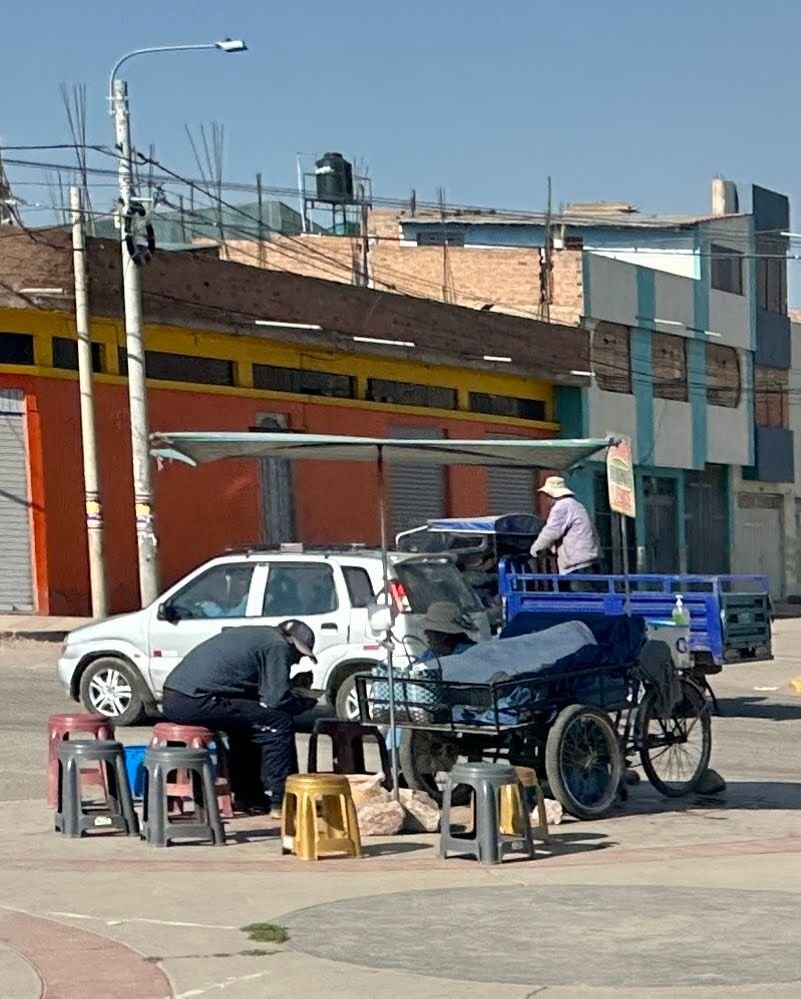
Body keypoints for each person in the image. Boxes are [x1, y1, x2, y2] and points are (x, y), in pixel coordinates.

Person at [160, 620, 318, 815]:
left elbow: (256, 692)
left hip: (176, 698)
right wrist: (302, 703)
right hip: (195, 701)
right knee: (278, 721)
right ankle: (282, 801)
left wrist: (290, 685)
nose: (296, 661)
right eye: (299, 655)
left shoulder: (260, 635)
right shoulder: (278, 646)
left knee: (247, 724)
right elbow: (276, 700)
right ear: (292, 642)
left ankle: (249, 797)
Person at [530, 476, 601, 589]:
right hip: (589, 561)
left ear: (551, 495)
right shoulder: (576, 504)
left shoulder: (562, 506)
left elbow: (551, 531)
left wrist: (535, 549)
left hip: (578, 565)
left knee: (579, 598)